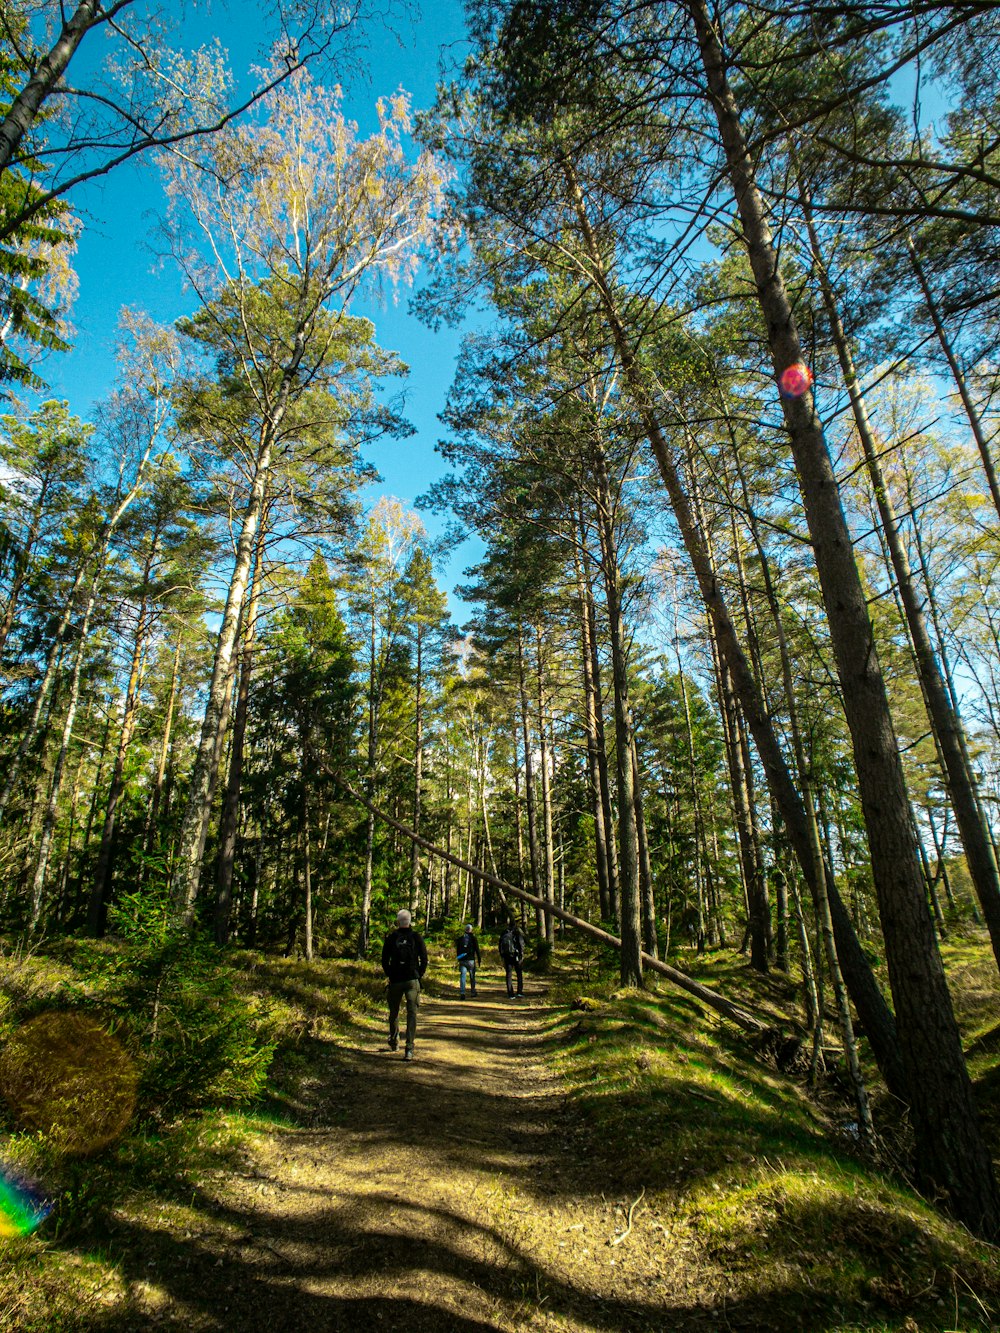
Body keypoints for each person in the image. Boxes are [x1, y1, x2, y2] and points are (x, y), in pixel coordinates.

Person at [381, 909, 427, 1061]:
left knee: (394, 1013)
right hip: (412, 980)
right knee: (411, 1013)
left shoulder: (392, 937)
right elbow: (424, 958)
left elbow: (384, 959)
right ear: (410, 921)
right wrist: (418, 974)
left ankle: (394, 1042)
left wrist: (390, 974)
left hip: (395, 980)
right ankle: (409, 1048)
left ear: (398, 921)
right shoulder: (416, 937)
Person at [498, 919, 527, 999]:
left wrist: (502, 955)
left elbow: (500, 944)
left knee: (509, 974)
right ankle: (519, 992)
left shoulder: (504, 933)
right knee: (519, 974)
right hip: (516, 955)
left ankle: (510, 993)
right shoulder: (517, 933)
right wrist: (521, 954)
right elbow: (521, 944)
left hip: (507, 956)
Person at [455, 923, 480, 998]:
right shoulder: (473, 938)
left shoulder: (460, 938)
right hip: (471, 960)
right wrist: (479, 959)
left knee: (463, 976)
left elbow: (458, 950)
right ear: (471, 930)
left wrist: (458, 958)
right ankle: (473, 992)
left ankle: (462, 992)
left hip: (462, 960)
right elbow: (477, 949)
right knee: (472, 976)